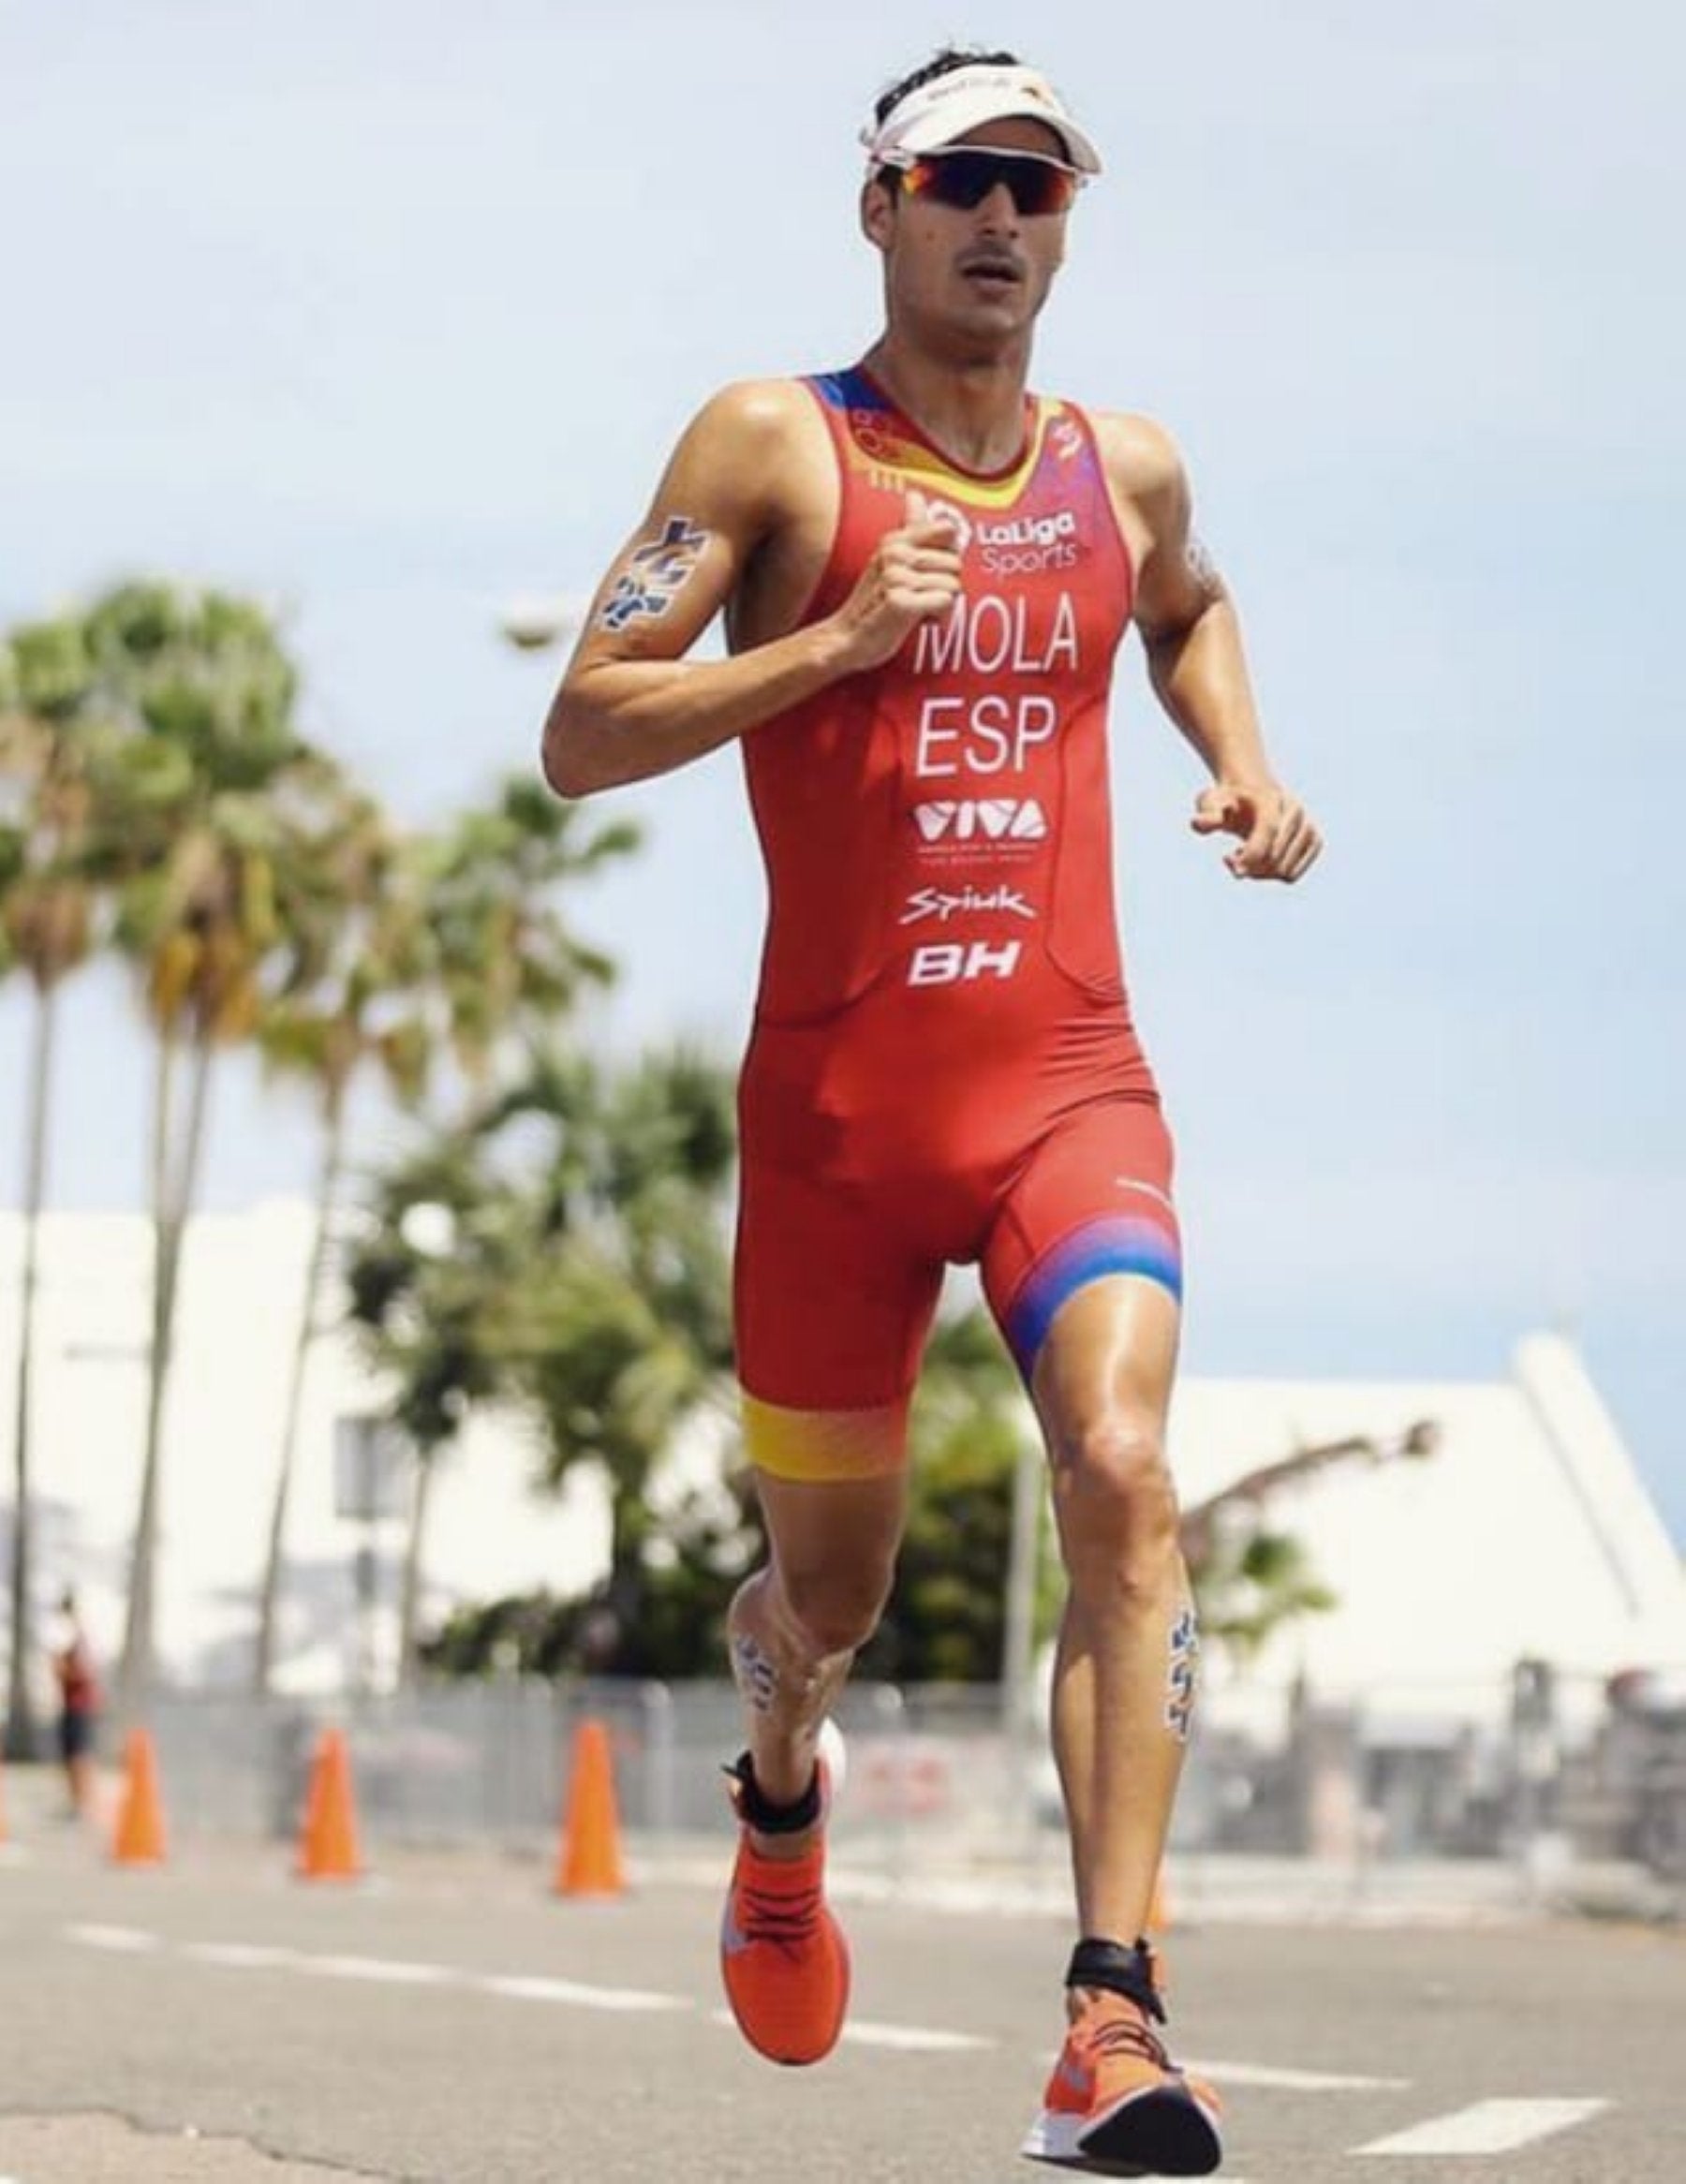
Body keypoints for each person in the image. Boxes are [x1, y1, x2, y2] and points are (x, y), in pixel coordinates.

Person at [542, 43, 1321, 2177]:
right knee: (836, 1600)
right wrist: (829, 648)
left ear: (1070, 225)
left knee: (1131, 1469)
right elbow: (583, 729)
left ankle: (1114, 2023)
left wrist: (1243, 759)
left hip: (1069, 1084)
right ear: (877, 207)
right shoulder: (778, 446)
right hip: (836, 1138)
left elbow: (1188, 602)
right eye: (961, 180)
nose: (1002, 220)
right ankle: (780, 1780)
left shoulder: (1121, 465)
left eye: (1039, 190)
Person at [50, 1588, 101, 1820]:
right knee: (71, 1754)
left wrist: (62, 1670)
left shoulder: (79, 1638)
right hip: (71, 1705)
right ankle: (76, 1801)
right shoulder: (70, 1638)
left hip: (79, 1706)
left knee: (78, 1754)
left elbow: (84, 1672)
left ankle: (83, 1803)